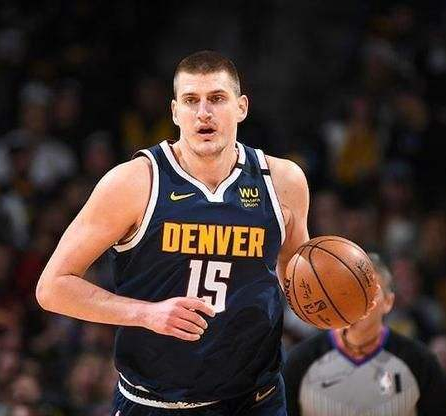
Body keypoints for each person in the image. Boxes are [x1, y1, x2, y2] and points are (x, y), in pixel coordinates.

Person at [35, 50, 310, 415]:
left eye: (217, 98)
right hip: (155, 402)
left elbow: (299, 282)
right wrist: (146, 314)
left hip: (256, 399)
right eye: (191, 100)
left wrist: (334, 301)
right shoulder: (134, 183)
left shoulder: (283, 181)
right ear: (175, 112)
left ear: (241, 107)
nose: (203, 113)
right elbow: (52, 287)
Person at [283, 253, 446, 416]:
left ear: (388, 302)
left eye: (368, 292)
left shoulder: (421, 362)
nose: (357, 302)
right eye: (348, 291)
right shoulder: (300, 361)